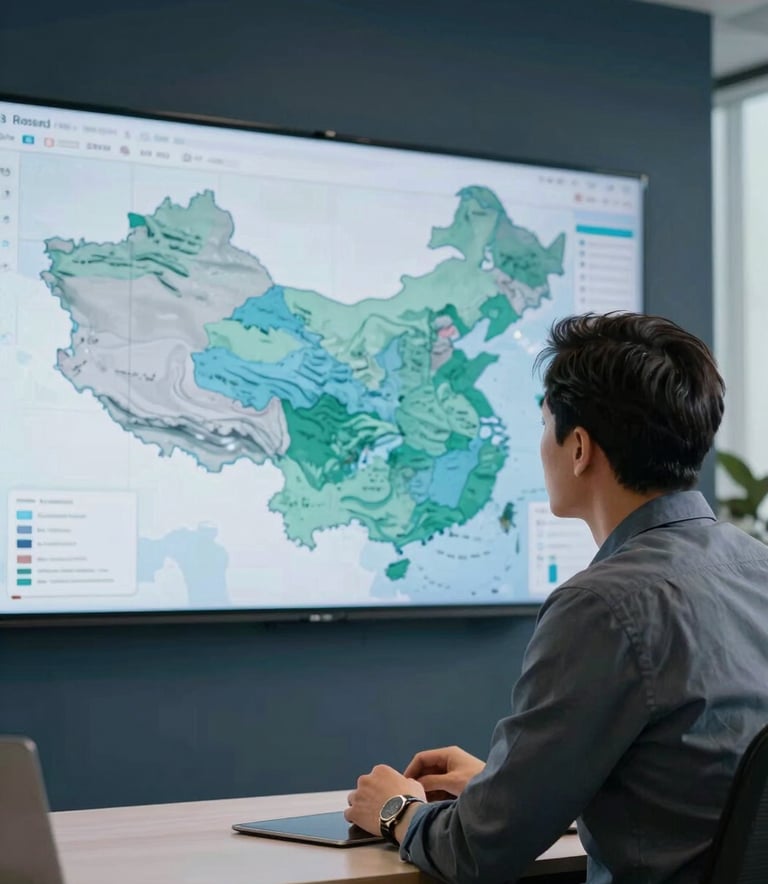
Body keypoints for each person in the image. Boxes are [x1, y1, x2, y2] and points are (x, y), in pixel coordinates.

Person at [345, 312, 768, 884]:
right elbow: (696, 788)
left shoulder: (603, 606)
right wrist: (509, 787)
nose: (540, 443)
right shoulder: (758, 567)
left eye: (545, 424)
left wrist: (397, 810)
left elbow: (477, 852)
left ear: (579, 448)